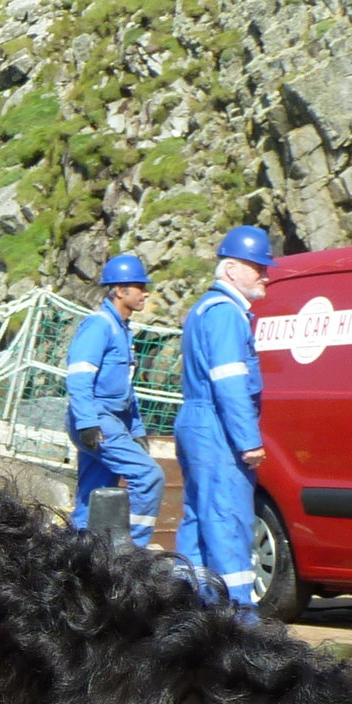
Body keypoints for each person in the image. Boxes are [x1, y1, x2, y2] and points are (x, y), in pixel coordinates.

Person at [174, 225, 274, 615]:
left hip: (198, 420)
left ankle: (186, 615)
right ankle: (239, 623)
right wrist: (248, 440)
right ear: (231, 269)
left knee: (199, 524)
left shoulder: (204, 310)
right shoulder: (227, 315)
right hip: (216, 428)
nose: (266, 275)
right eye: (258, 267)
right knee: (228, 523)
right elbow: (230, 386)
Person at [66, 254, 164, 546]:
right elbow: (79, 376)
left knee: (94, 494)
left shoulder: (122, 330)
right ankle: (132, 549)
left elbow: (125, 389)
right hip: (96, 418)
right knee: (149, 476)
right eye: (138, 286)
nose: (145, 292)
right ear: (119, 291)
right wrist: (87, 423)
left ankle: (75, 554)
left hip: (108, 419)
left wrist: (136, 430)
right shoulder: (99, 326)